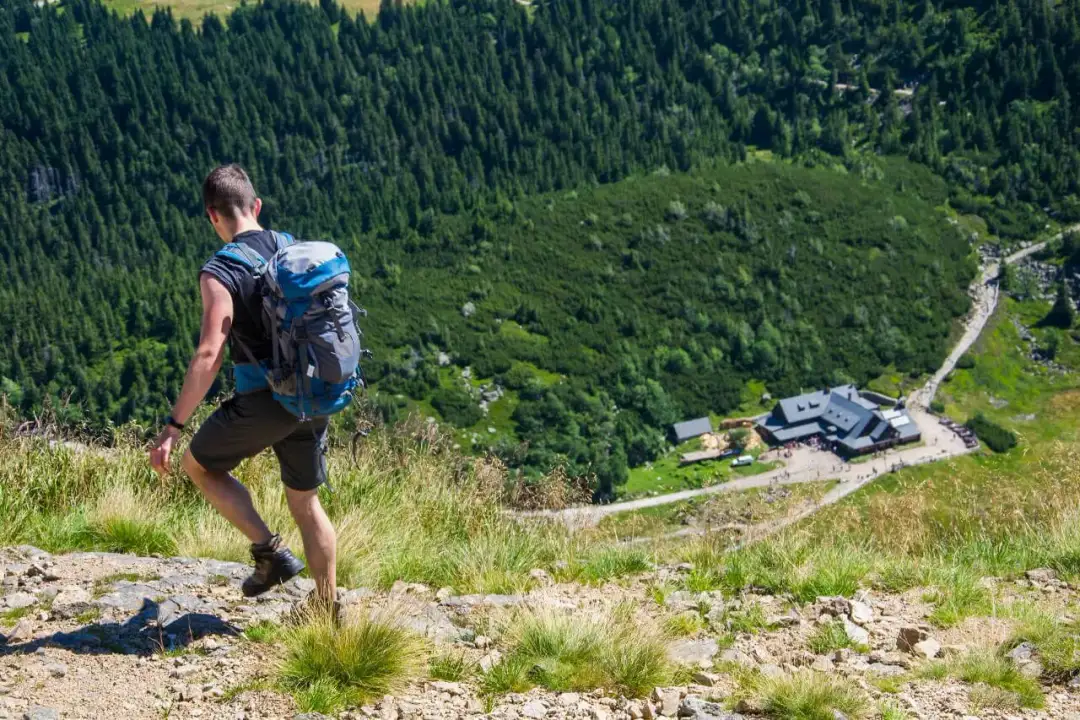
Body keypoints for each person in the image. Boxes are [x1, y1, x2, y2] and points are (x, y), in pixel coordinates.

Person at [149, 164, 337, 613]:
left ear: (212, 216)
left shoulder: (220, 271)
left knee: (199, 465)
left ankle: (269, 552)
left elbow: (209, 354)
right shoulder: (292, 249)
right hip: (314, 395)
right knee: (306, 502)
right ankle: (327, 611)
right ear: (256, 206)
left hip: (266, 402)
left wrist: (174, 426)